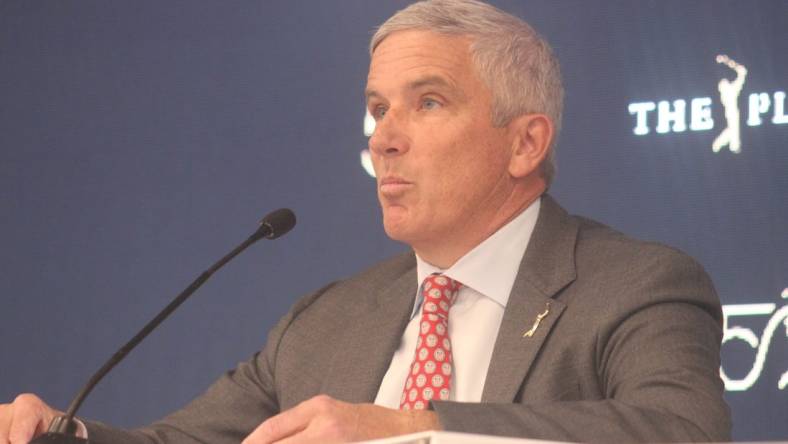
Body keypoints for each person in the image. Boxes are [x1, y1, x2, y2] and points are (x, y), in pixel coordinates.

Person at [0, 1, 731, 442]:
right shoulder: (325, 321)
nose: (382, 137)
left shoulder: (633, 285)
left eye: (429, 102)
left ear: (525, 142)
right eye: (378, 108)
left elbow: (684, 432)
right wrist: (65, 435)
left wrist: (417, 428)